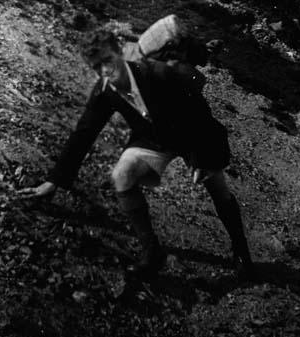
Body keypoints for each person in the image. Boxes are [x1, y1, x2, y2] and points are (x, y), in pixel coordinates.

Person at [31, 28, 255, 278]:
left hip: (190, 136)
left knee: (218, 188)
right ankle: (152, 253)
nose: (105, 70)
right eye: (97, 66)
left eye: (107, 61)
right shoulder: (104, 91)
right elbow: (85, 131)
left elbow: (200, 116)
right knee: (122, 176)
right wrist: (55, 180)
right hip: (152, 139)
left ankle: (242, 252)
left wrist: (202, 160)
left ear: (119, 53)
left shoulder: (156, 73)